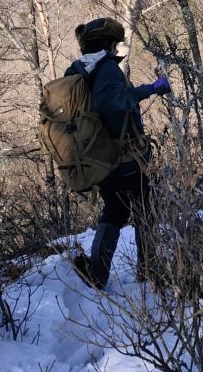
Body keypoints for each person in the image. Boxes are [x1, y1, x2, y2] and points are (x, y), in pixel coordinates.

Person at [67, 16, 170, 289]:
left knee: (115, 208)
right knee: (146, 209)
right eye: (115, 46)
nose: (117, 51)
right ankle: (149, 271)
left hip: (97, 157)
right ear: (109, 44)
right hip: (124, 157)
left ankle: (98, 272)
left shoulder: (77, 69)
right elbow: (110, 102)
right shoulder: (108, 70)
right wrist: (151, 89)